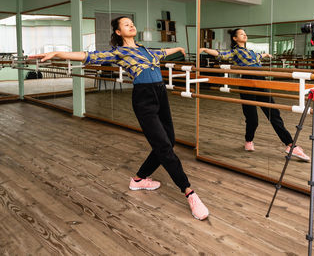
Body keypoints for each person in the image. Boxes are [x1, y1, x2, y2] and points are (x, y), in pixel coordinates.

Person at [29, 16, 209, 220]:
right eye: (126, 24)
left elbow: (163, 52)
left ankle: (139, 179)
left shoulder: (147, 50)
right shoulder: (119, 52)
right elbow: (89, 56)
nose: (131, 25)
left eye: (132, 22)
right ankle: (189, 192)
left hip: (161, 95)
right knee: (164, 147)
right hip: (144, 99)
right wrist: (59, 53)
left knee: (168, 141)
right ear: (118, 32)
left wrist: (178, 49)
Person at [199, 28, 310, 162]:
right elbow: (220, 54)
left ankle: (291, 145)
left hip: (260, 81)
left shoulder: (251, 51)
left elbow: (258, 56)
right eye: (241, 34)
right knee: (252, 119)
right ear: (235, 38)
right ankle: (249, 140)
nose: (244, 35)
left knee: (274, 115)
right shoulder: (235, 52)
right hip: (247, 82)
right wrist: (205, 49)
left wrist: (266, 55)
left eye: (245, 33)